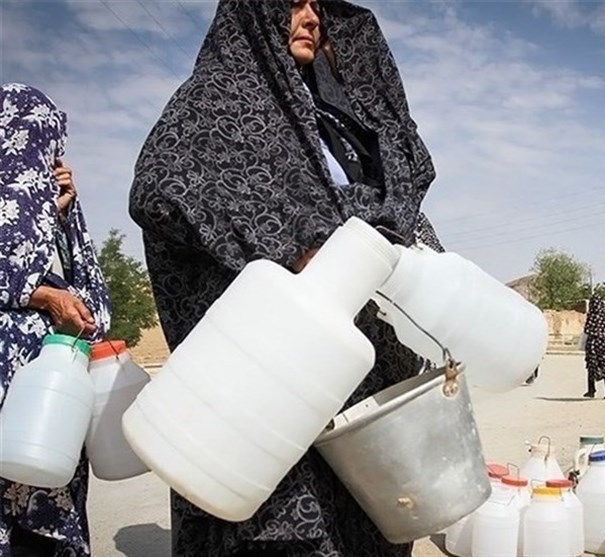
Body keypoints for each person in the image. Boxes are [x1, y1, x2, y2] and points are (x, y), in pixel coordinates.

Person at [128, 1, 441, 555]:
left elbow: (388, 208)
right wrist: (288, 247)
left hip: (355, 374)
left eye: (319, 6)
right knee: (282, 517)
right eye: (293, 3)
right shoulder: (219, 99)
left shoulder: (341, 122)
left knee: (370, 521)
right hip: (274, 370)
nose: (311, 17)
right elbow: (161, 186)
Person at [0, 83, 111, 556]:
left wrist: (59, 215)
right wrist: (38, 293)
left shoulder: (55, 212)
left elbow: (92, 295)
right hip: (10, 398)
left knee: (49, 525)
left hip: (49, 407)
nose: (49, 156)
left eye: (53, 142)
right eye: (36, 138)